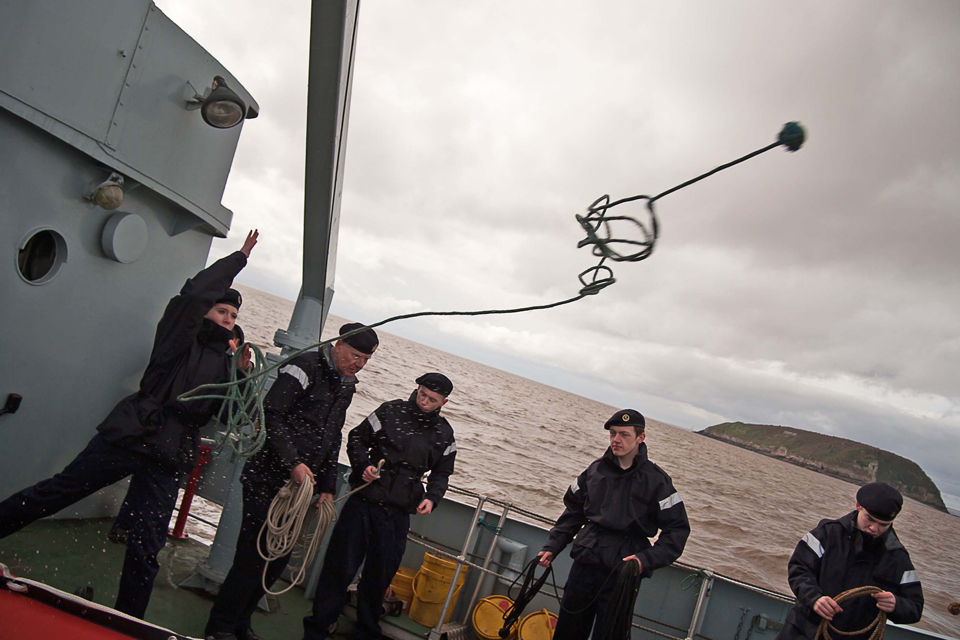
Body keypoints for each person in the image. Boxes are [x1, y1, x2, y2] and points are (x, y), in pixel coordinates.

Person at [0, 230, 259, 619]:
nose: (228, 320)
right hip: (135, 433)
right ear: (205, 312)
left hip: (170, 455)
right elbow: (193, 296)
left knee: (147, 543)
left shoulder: (227, 363)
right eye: (222, 311)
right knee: (58, 492)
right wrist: (237, 259)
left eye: (234, 316)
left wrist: (243, 379)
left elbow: (234, 413)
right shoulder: (179, 336)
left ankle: (128, 620)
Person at [204, 322, 380, 640]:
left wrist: (327, 485)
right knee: (252, 559)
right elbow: (271, 415)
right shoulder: (304, 367)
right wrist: (293, 464)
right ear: (338, 345)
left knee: (276, 561)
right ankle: (220, 627)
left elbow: (333, 434)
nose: (359, 364)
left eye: (366, 360)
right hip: (266, 479)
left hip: (303, 489)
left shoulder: (347, 385)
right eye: (356, 355)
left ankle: (241, 624)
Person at [303, 373, 458, 640]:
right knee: (340, 567)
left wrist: (432, 497)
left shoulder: (444, 433)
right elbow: (356, 438)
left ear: (444, 402)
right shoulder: (390, 411)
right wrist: (363, 466)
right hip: (364, 503)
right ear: (416, 388)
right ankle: (319, 626)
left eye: (432, 399)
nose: (424, 402)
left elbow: (442, 473)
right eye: (422, 394)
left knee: (380, 575)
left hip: (397, 514)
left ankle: (365, 630)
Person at [537, 409, 690, 640]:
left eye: (624, 435)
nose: (616, 440)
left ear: (641, 437)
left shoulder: (657, 481)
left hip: (623, 572)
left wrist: (644, 560)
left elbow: (677, 530)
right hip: (585, 564)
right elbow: (574, 512)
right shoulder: (595, 470)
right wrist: (553, 545)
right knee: (568, 632)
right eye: (613, 434)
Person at [776, 482, 924, 640]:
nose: (874, 528)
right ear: (859, 506)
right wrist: (814, 598)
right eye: (870, 519)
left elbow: (915, 606)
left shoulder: (897, 558)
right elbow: (799, 569)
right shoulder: (827, 533)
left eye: (883, 525)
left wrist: (896, 604)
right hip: (803, 632)